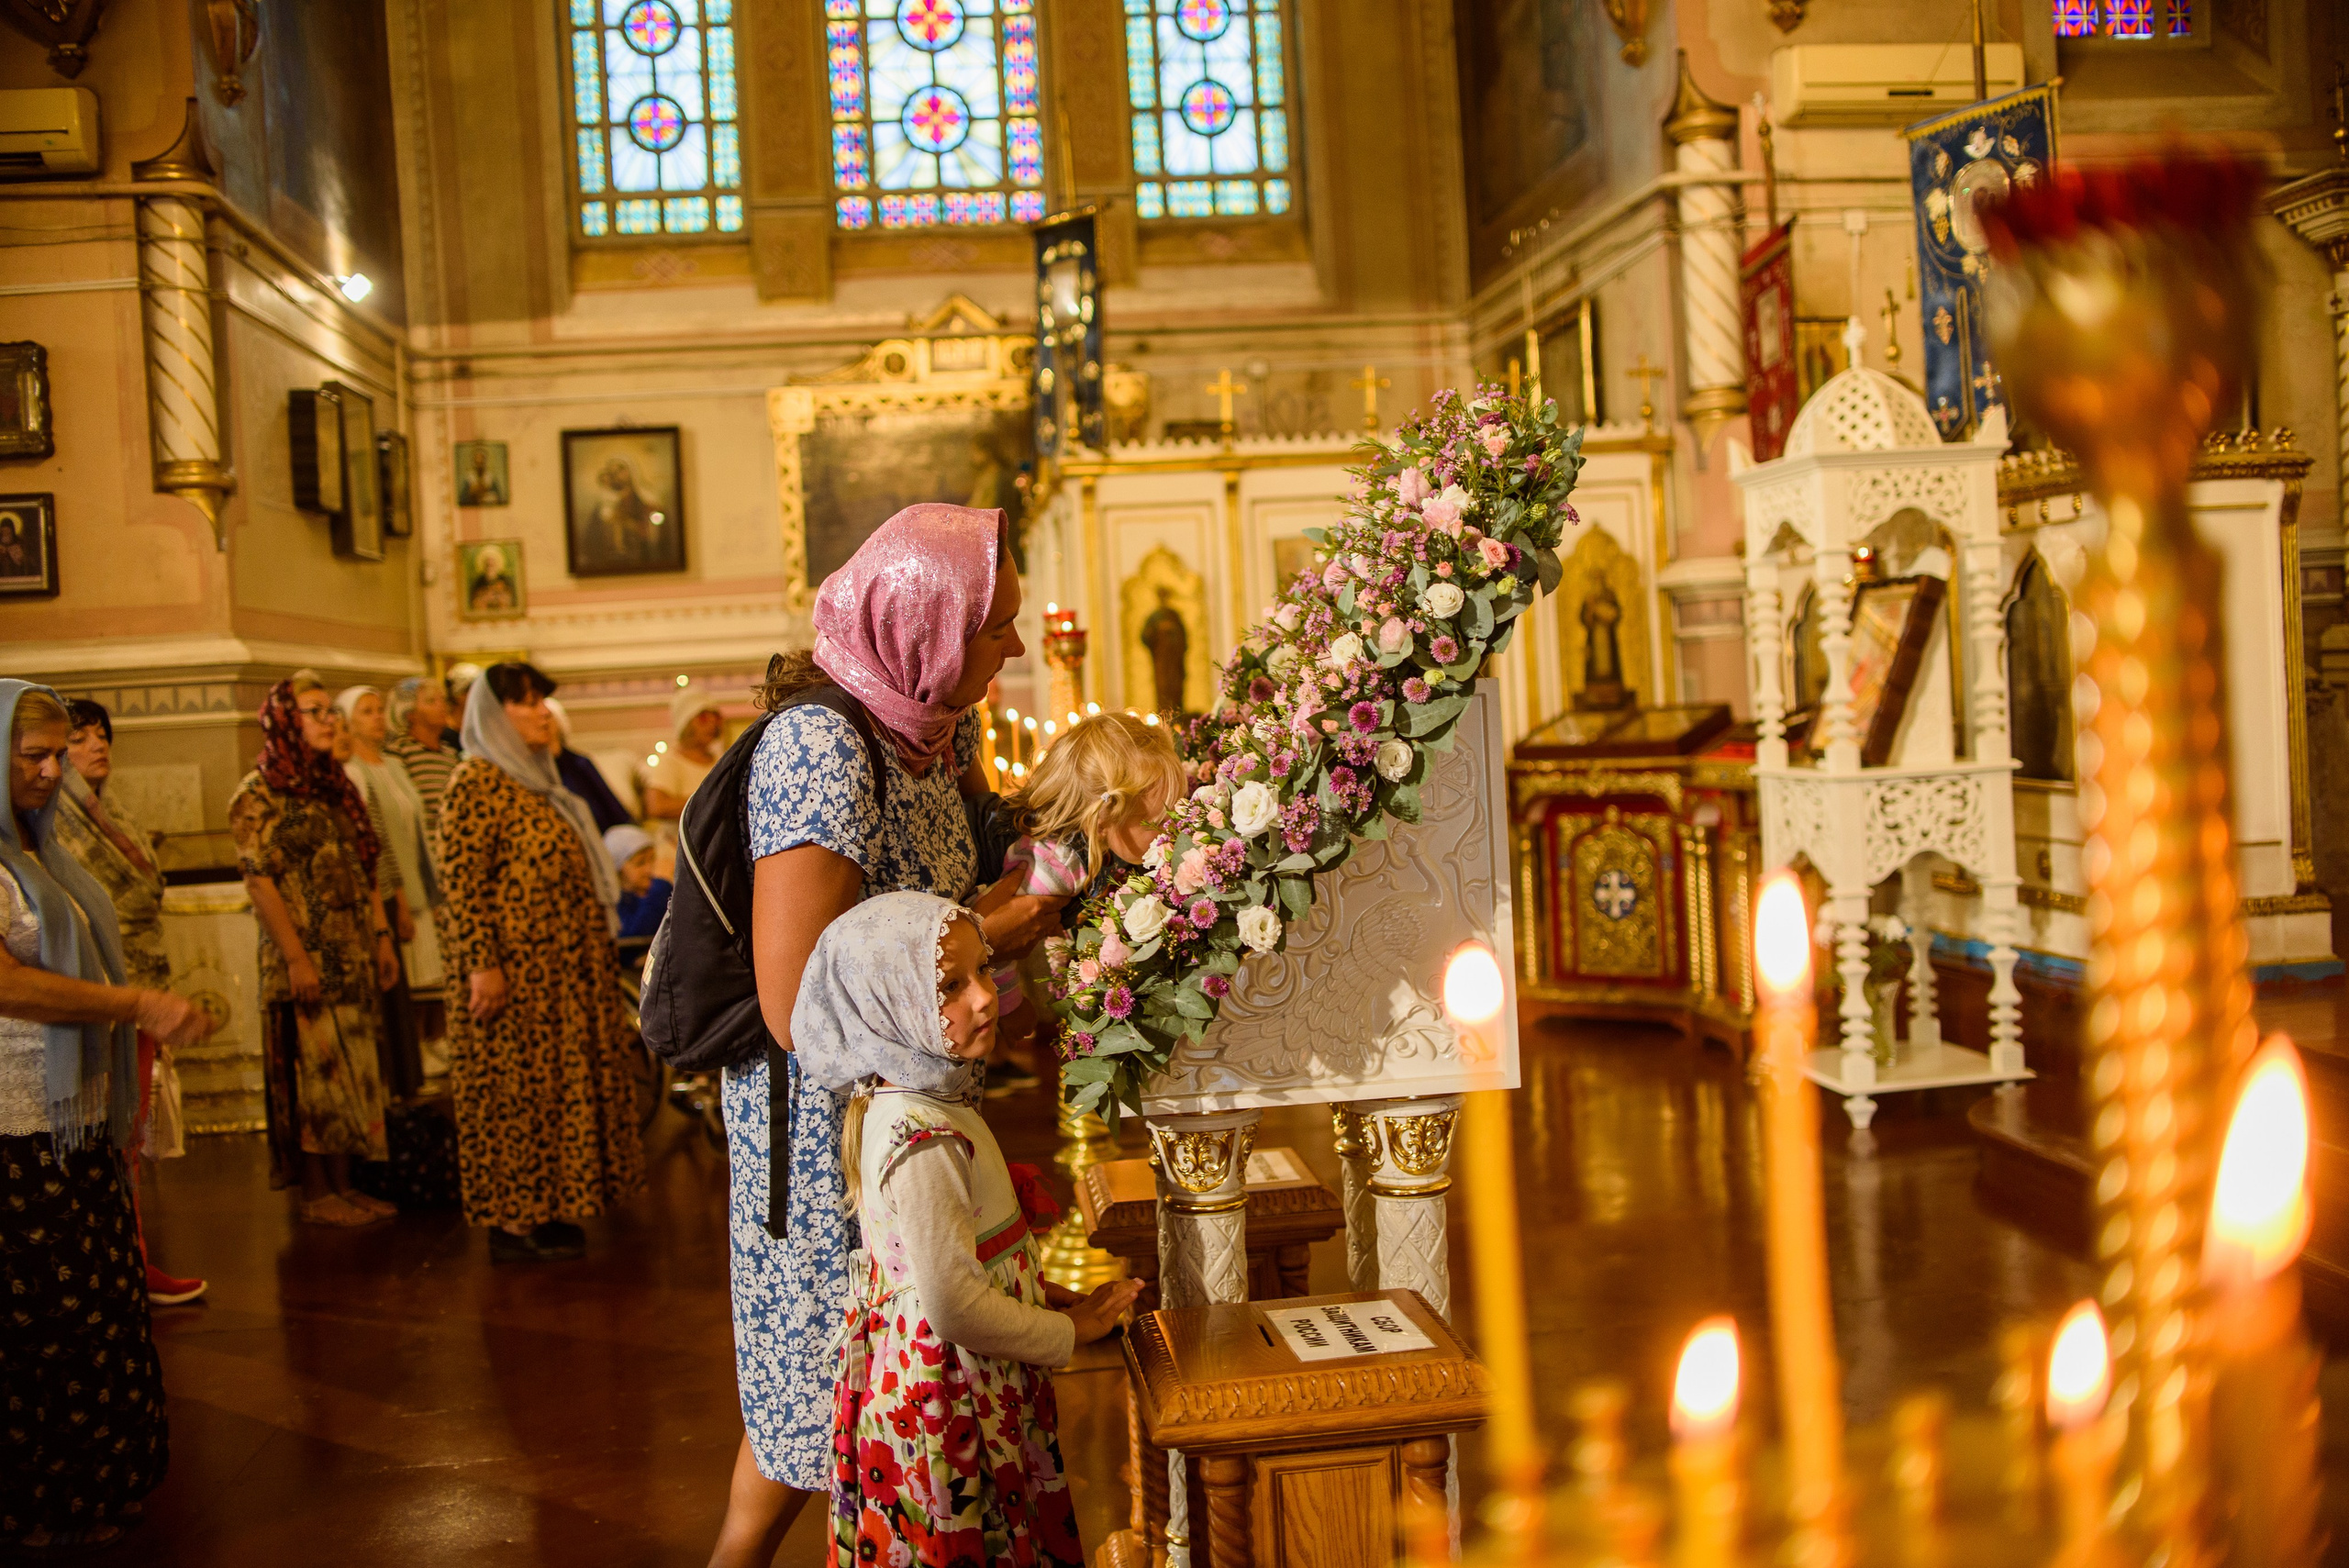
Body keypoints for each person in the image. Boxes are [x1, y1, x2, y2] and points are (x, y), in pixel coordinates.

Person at [707, 502, 1065, 1568]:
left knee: (856, 1399)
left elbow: (946, 887)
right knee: (817, 1400)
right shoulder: (822, 745)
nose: (1013, 644)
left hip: (899, 1101)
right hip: (825, 1126)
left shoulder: (926, 734)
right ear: (925, 625)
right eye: (993, 625)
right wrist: (996, 925)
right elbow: (798, 995)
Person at [797, 893, 1138, 1568]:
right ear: (889, 1001)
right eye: (951, 985)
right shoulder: (920, 1134)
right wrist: (1070, 1333)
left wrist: (1042, 1291)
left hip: (955, 1385)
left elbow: (960, 1256)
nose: (984, 997)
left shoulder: (917, 1101)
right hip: (950, 1406)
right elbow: (951, 1302)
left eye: (985, 971)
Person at [0, 681, 208, 1552]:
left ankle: (99, 1480)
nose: (52, 773)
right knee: (40, 1326)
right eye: (33, 757)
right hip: (13, 1128)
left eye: (58, 755)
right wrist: (131, 1004)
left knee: (97, 1308)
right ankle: (39, 1496)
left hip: (74, 1116)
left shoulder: (42, 850)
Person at [438, 663, 646, 1263]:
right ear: (492, 714)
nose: (540, 713)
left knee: (551, 1090)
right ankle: (512, 1218)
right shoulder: (474, 781)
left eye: (541, 703)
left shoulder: (537, 779)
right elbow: (463, 886)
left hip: (558, 971)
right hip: (511, 973)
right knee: (512, 1092)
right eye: (526, 704)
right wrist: (483, 964)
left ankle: (547, 1206)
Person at [50, 697, 207, 1306]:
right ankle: (114, 1267)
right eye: (80, 736)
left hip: (139, 985)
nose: (97, 745)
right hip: (95, 993)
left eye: (102, 734)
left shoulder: (109, 810)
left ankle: (132, 1259)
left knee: (130, 1135)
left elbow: (143, 889)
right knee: (105, 1136)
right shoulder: (52, 821)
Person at [229, 676, 399, 1227]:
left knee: (357, 1076)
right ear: (284, 721)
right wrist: (296, 957)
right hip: (302, 959)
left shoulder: (335, 786)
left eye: (331, 711)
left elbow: (363, 864)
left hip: (351, 954)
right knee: (316, 1079)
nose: (329, 720)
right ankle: (318, 1193)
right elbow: (260, 882)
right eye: (313, 711)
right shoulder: (257, 793)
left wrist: (379, 935)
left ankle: (348, 1186)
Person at [974, 711, 1185, 1067]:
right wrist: (1011, 1009)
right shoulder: (1056, 866)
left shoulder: (1093, 845)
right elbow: (994, 937)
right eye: (1159, 821)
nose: (1171, 830)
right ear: (1104, 819)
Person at [337, 685, 449, 1095]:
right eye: (366, 712)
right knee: (411, 981)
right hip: (393, 888)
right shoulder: (353, 770)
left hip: (419, 882)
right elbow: (376, 843)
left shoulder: (395, 765)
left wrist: (433, 893)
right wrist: (399, 897)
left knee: (431, 978)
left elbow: (416, 832)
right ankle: (413, 1058)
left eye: (380, 709)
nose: (377, 718)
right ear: (347, 722)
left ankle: (431, 1050)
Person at [385, 674, 460, 840]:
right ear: (410, 714)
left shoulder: (450, 754)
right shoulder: (399, 753)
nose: (442, 706)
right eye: (431, 701)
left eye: (442, 700)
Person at [546, 696, 635, 833]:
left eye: (550, 718)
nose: (544, 721)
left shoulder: (580, 763)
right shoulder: (531, 770)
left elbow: (615, 811)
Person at [640, 683, 723, 827]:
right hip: (677, 846)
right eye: (703, 718)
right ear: (685, 722)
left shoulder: (720, 759)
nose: (712, 724)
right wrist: (710, 801)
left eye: (715, 717)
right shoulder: (670, 761)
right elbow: (656, 807)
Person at [605, 823, 672, 940]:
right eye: (640, 863)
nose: (649, 869)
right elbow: (635, 935)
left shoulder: (659, 891)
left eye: (652, 860)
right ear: (618, 870)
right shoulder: (615, 903)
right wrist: (660, 886)